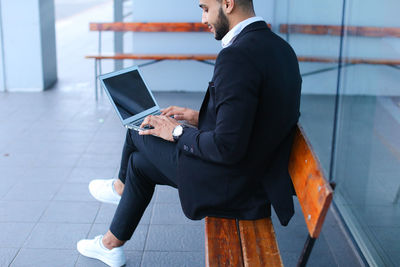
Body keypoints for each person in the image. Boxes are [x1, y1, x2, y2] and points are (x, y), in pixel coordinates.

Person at [77, 0, 301, 266]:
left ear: (227, 3)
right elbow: (256, 118)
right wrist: (199, 118)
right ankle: (110, 244)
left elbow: (226, 148)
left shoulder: (237, 56)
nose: (204, 18)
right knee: (140, 163)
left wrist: (177, 131)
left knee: (142, 129)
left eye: (206, 8)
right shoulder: (281, 48)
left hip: (234, 188)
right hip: (254, 176)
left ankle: (119, 188)